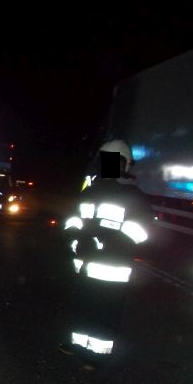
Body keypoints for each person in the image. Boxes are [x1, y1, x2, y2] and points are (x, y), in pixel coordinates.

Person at [58, 140, 153, 358]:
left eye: (113, 162)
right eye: (105, 161)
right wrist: (74, 239)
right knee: (83, 308)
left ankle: (96, 356)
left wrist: (103, 243)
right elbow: (74, 219)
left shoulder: (133, 196)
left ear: (124, 165)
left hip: (112, 270)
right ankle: (78, 345)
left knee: (104, 313)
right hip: (85, 265)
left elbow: (141, 231)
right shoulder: (90, 191)